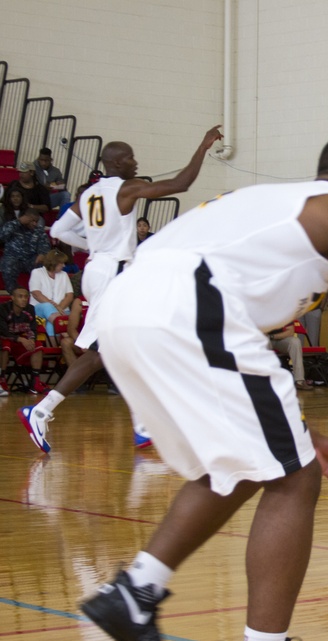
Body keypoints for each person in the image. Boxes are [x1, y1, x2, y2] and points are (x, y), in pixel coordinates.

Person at [75, 133, 328, 641]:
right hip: (186, 308)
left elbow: (238, 346)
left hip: (123, 312)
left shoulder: (262, 204)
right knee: (294, 477)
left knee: (238, 467)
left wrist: (304, 434)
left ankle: (135, 594)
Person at [19, 126, 224, 453]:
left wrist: (92, 244)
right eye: (130, 157)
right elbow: (181, 184)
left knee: (133, 343)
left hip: (100, 268)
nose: (135, 162)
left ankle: (143, 424)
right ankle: (40, 410)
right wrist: (203, 145)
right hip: (113, 271)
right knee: (99, 351)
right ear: (115, 162)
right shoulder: (126, 188)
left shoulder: (89, 194)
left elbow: (58, 229)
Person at [0, 286, 47, 395]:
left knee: (37, 345)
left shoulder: (30, 309)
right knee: (5, 344)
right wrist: (20, 339)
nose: (24, 299)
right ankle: (2, 379)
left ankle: (35, 382)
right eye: (20, 297)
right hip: (6, 339)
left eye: (26, 297)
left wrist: (31, 339)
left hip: (20, 342)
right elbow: (3, 331)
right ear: (12, 298)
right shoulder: (3, 309)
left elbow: (33, 328)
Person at [0, 208, 50, 294]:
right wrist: (18, 222)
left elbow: (45, 245)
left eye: (36, 221)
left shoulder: (39, 231)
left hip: (31, 260)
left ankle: (39, 293)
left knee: (45, 265)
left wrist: (42, 254)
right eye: (32, 220)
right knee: (7, 264)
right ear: (25, 218)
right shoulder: (12, 226)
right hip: (13, 258)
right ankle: (14, 293)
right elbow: (2, 236)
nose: (34, 223)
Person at [28, 249, 74, 338]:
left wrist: (59, 308)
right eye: (61, 263)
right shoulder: (37, 272)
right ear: (54, 263)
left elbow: (70, 295)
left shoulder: (64, 275)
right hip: (40, 308)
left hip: (62, 309)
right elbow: (36, 293)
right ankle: (65, 332)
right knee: (47, 306)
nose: (64, 265)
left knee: (50, 323)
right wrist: (55, 307)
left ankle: (53, 349)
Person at [269, 321, 312, 392]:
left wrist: (273, 336)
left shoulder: (285, 311)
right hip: (263, 339)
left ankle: (299, 381)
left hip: (279, 339)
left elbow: (290, 332)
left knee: (295, 342)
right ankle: (259, 381)